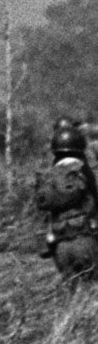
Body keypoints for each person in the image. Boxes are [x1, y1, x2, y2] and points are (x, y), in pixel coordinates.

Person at [38, 119, 98, 282]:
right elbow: (94, 192)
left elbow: (42, 201)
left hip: (59, 242)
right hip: (84, 237)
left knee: (71, 287)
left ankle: (46, 243)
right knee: (93, 285)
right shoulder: (81, 167)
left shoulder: (51, 171)